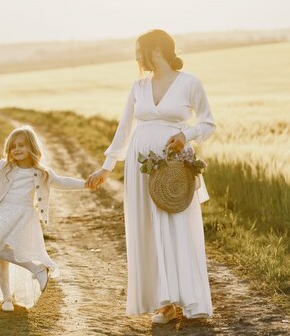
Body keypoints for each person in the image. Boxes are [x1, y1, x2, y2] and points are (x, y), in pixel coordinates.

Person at [87, 29, 216, 324]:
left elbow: (208, 123)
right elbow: (124, 130)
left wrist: (187, 135)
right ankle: (164, 302)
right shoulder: (138, 87)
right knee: (147, 230)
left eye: (139, 51)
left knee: (177, 227)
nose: (136, 57)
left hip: (175, 167)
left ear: (156, 50)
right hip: (140, 166)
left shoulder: (189, 83)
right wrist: (106, 167)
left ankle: (189, 299)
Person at [0, 126, 87, 312]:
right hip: (1, 214)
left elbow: (62, 182)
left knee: (0, 252)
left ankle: (37, 269)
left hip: (22, 217)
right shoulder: (4, 167)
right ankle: (7, 298)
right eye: (12, 146)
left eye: (21, 145)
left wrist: (85, 184)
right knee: (0, 256)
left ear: (31, 146)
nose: (16, 149)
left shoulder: (40, 172)